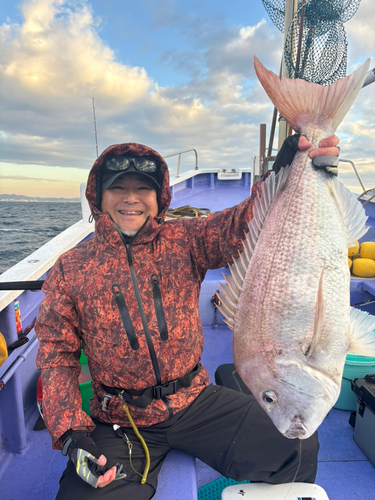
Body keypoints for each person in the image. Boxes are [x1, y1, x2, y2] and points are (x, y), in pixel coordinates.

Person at [35, 134, 340, 499]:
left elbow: (240, 226)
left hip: (195, 401)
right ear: (97, 198)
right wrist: (72, 434)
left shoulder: (185, 239)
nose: (131, 198)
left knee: (297, 446)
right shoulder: (71, 269)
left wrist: (284, 172)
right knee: (84, 495)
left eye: (142, 189)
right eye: (118, 188)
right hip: (122, 418)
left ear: (159, 198)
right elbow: (57, 358)